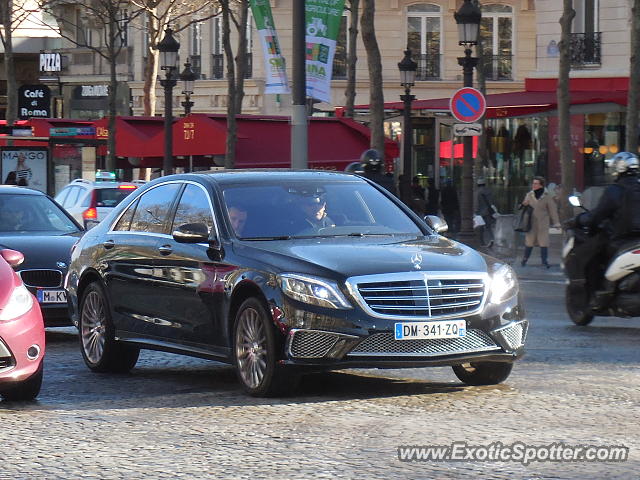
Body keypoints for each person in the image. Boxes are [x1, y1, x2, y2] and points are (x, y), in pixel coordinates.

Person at [575, 151, 640, 268]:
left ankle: (597, 284)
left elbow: (598, 214)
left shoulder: (615, 190)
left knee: (594, 256)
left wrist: (580, 219)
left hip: (620, 239)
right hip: (636, 242)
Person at [520, 176, 560, 268]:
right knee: (529, 241)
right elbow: (523, 206)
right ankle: (524, 260)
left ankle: (544, 261)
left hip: (543, 222)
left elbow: (552, 210)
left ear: (541, 185)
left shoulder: (547, 196)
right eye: (533, 183)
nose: (533, 185)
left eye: (536, 183)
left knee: (544, 242)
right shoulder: (530, 194)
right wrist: (523, 204)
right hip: (531, 222)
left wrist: (556, 222)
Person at [475, 177, 496, 247]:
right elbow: (492, 201)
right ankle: (491, 239)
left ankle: (482, 242)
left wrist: (475, 211)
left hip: (480, 212)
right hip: (488, 212)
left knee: (480, 228)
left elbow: (476, 203)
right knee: (488, 227)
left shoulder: (477, 192)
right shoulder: (489, 191)